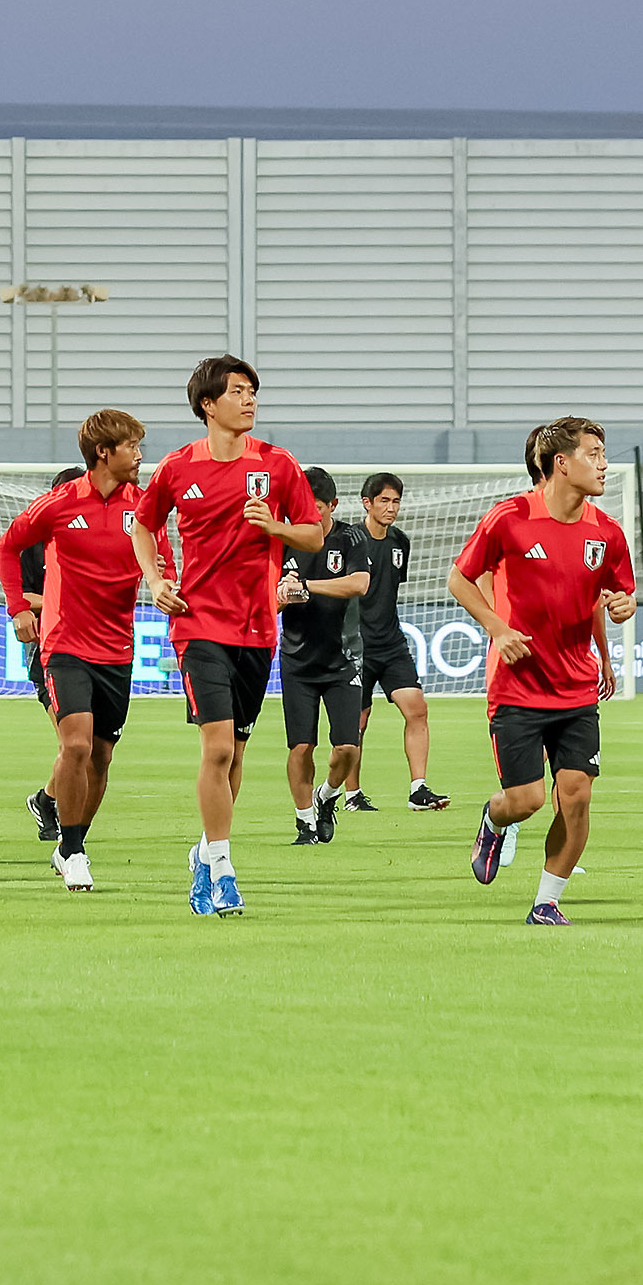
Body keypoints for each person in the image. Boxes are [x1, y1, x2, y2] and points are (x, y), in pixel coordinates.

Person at [131, 356, 321, 918]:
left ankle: (204, 853)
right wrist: (156, 579)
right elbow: (144, 524)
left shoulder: (278, 464)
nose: (250, 400)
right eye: (238, 391)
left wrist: (277, 527)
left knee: (235, 754)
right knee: (216, 748)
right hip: (197, 625)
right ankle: (224, 870)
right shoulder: (177, 467)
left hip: (259, 629)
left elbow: (313, 533)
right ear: (208, 405)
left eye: (253, 391)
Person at [445, 416, 637, 926]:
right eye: (593, 453)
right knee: (527, 800)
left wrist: (622, 612)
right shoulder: (508, 518)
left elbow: (616, 595)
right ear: (561, 463)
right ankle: (494, 818)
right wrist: (497, 629)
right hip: (518, 685)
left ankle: (546, 901)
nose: (603, 464)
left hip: (576, 687)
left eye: (603, 452)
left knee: (576, 796)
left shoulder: (608, 532)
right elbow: (460, 579)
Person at [0, 412, 147, 892]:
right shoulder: (59, 503)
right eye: (132, 446)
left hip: (118, 646)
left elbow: (156, 555)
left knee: (101, 755)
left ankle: (66, 845)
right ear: (104, 452)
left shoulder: (143, 507)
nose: (140, 455)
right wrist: (18, 606)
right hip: (64, 644)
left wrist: (164, 582)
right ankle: (77, 849)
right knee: (76, 745)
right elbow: (7, 547)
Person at [344, 473, 449, 811]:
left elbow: (390, 590)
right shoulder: (348, 540)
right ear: (367, 503)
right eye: (384, 501)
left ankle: (418, 789)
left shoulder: (400, 542)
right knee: (357, 722)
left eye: (396, 501)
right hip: (354, 645)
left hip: (391, 642)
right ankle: (351, 794)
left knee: (417, 709)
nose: (391, 508)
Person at [278, 468, 369, 847]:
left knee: (347, 747)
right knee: (301, 746)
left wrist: (306, 586)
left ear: (332, 505)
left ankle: (328, 796)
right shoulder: (284, 541)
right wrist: (281, 595)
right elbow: (268, 597)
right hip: (297, 660)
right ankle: (305, 823)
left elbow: (359, 583)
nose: (309, 517)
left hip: (343, 659)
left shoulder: (350, 537)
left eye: (315, 509)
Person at [18, 466, 86, 843]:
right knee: (72, 743)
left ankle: (46, 798)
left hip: (95, 648)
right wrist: (60, 601)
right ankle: (54, 815)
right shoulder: (34, 542)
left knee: (87, 749)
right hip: (49, 650)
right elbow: (21, 595)